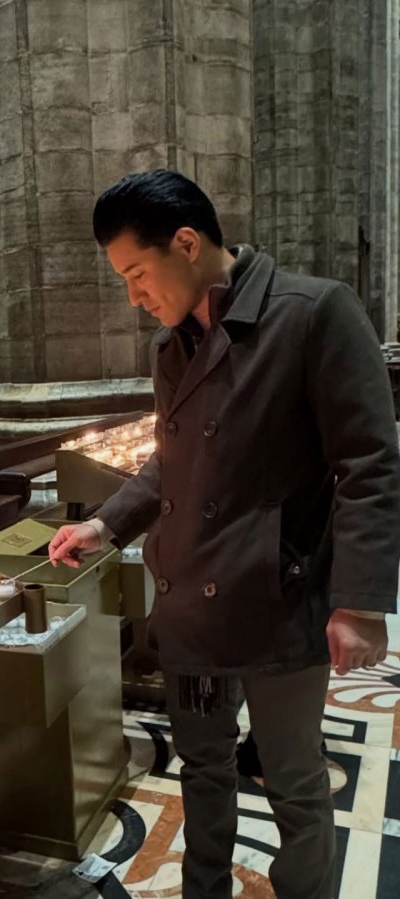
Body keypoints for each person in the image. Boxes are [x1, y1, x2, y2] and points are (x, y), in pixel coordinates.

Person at [48, 170, 400, 899]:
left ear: (186, 243)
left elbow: (369, 464)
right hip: (192, 605)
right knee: (202, 766)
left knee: (293, 776)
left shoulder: (314, 313)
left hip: (278, 595)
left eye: (137, 273)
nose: (133, 295)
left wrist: (361, 601)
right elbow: (171, 461)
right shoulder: (171, 347)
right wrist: (106, 521)